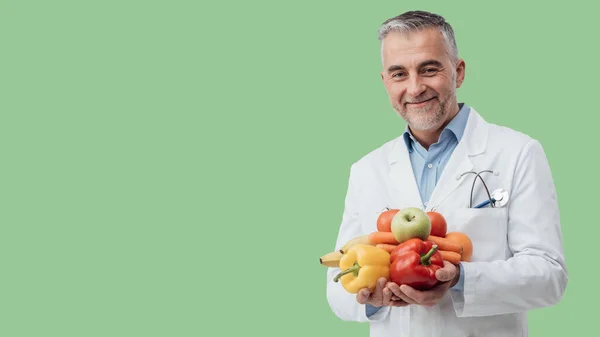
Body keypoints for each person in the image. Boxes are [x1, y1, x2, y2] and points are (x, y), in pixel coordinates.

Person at [325, 10, 568, 337]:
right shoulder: (367, 170)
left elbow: (549, 276)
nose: (414, 88)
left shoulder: (518, 152)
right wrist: (371, 298)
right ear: (385, 81)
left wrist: (459, 280)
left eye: (429, 69)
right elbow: (336, 289)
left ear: (458, 71)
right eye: (399, 73)